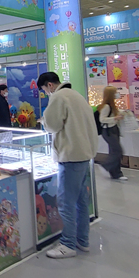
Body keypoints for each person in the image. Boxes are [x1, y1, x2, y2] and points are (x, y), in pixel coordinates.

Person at [37, 72, 98, 259]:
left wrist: (43, 121)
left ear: (49, 85)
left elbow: (52, 125)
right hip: (84, 154)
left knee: (65, 203)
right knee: (81, 201)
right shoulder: (76, 95)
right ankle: (82, 240)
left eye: (44, 90)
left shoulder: (58, 97)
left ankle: (68, 244)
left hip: (71, 156)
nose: (46, 93)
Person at [98, 86, 128, 181]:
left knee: (114, 151)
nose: (117, 94)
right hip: (108, 131)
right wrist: (115, 118)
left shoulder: (112, 106)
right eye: (115, 92)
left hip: (114, 129)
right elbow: (102, 119)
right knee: (117, 151)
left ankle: (116, 173)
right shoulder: (106, 107)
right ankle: (106, 165)